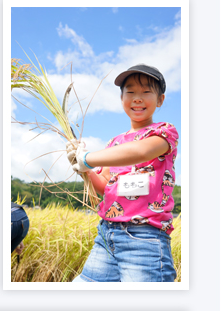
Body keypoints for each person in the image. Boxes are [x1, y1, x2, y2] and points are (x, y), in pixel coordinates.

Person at [67, 64, 178, 282]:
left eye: (146, 92)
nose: (137, 98)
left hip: (145, 238)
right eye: (130, 92)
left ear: (160, 100)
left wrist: (87, 158)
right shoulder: (114, 143)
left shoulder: (164, 131)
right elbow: (104, 186)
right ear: (121, 99)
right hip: (107, 235)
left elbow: (140, 151)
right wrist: (84, 169)